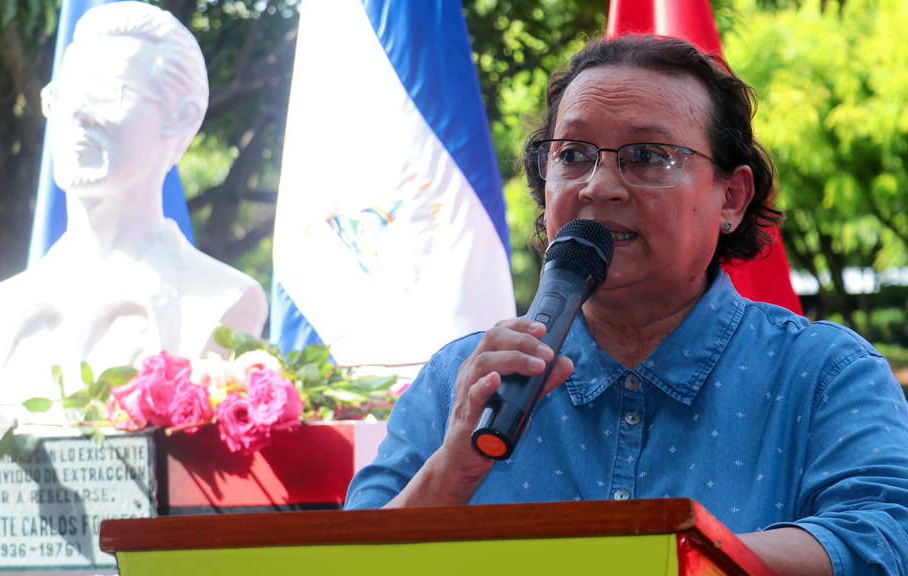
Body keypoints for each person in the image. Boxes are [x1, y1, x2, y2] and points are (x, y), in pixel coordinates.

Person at [344, 35, 908, 575]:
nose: (598, 186)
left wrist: (662, 554)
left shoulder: (825, 373)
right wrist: (451, 470)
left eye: (646, 156)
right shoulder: (462, 381)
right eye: (573, 154)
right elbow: (340, 562)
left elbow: (881, 540)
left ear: (731, 197)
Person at [0, 3, 267, 421]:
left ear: (179, 119)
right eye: (66, 92)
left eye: (107, 92)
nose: (76, 113)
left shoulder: (221, 300)